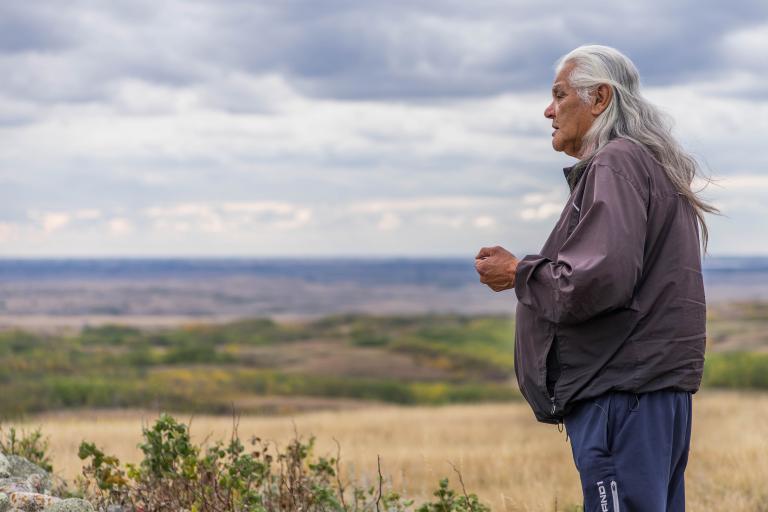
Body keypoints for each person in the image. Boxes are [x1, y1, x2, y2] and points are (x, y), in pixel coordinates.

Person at [474, 45, 718, 512]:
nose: (548, 110)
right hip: (651, 397)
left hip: (620, 397)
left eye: (559, 95)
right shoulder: (652, 164)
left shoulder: (617, 161)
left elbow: (596, 282)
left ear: (600, 99)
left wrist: (517, 272)